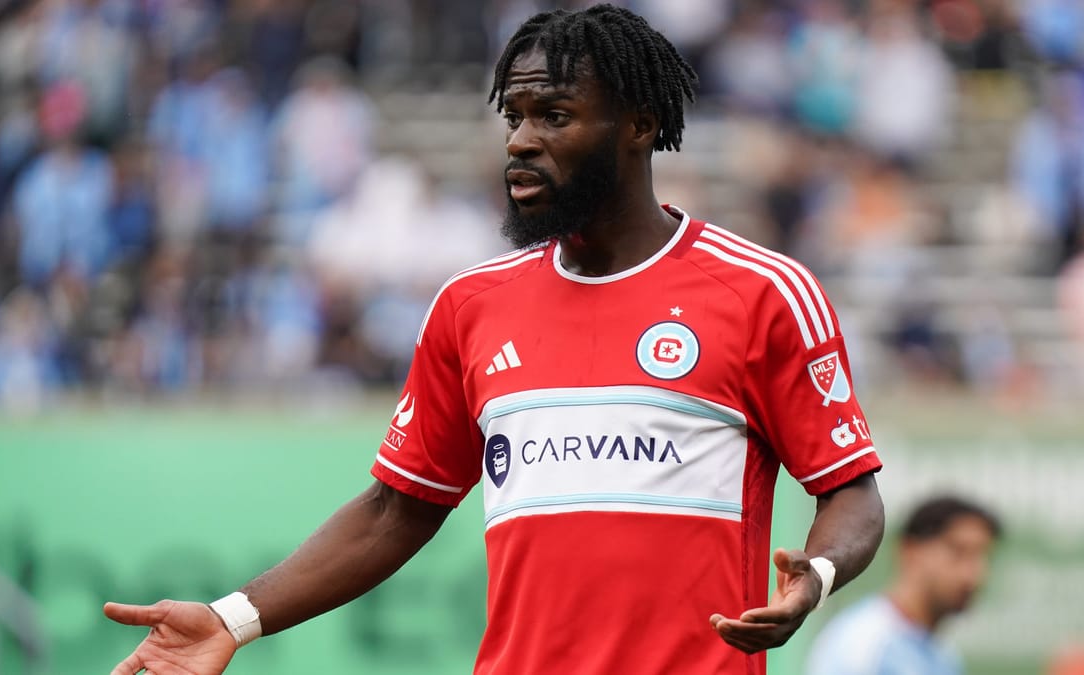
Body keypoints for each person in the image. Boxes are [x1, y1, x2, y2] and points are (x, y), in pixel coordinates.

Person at [103, 6, 885, 674]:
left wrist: (813, 575)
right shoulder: (470, 305)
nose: (519, 140)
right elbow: (392, 512)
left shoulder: (762, 292)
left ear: (640, 125)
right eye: (513, 116)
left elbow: (850, 489)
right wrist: (234, 618)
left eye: (554, 115)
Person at [805, 495, 1002, 675]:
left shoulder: (944, 656)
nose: (974, 574)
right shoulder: (862, 644)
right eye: (959, 552)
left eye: (982, 557)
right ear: (910, 550)